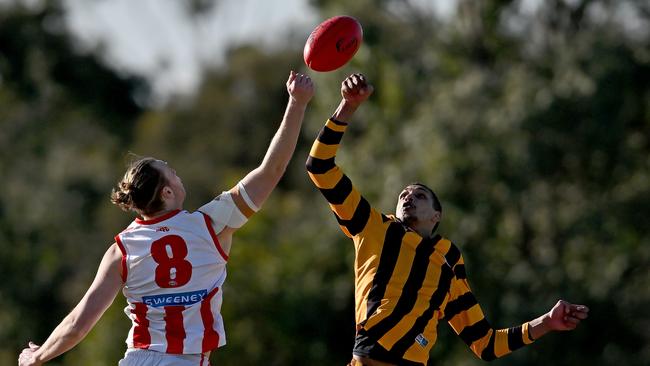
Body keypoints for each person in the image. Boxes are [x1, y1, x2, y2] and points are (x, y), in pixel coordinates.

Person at [18, 71, 314, 366]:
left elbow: (78, 324)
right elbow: (272, 170)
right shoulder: (211, 225)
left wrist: (38, 356)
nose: (176, 171)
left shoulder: (121, 250)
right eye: (170, 169)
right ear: (168, 192)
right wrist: (296, 104)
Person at [305, 73, 589, 366]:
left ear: (436, 215)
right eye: (404, 194)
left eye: (420, 195)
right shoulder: (374, 227)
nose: (408, 197)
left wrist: (547, 322)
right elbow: (319, 167)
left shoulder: (449, 265)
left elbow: (487, 344)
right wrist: (347, 107)